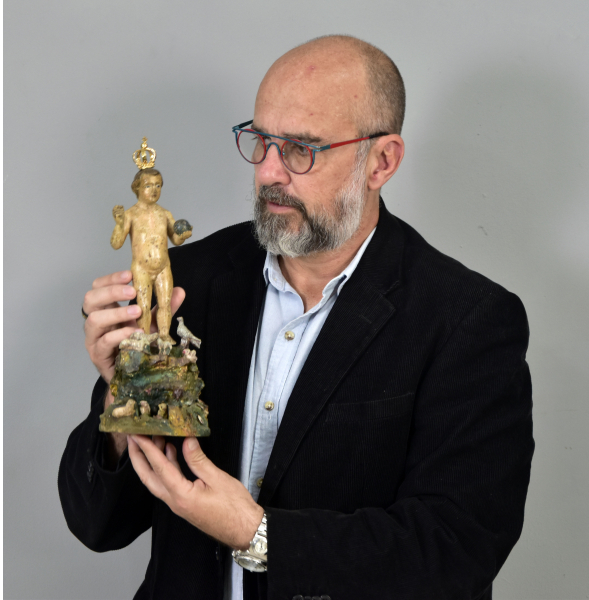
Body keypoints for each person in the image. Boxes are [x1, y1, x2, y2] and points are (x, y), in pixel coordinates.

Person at [59, 35, 534, 600]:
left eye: (301, 149)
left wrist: (259, 535)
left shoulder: (468, 320)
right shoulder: (190, 279)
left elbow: (455, 551)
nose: (268, 172)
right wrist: (124, 396)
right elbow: (97, 523)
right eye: (260, 141)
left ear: (381, 161)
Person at [111, 167, 192, 347]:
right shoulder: (130, 215)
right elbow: (116, 243)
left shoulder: (165, 214)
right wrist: (119, 224)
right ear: (137, 188)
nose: (154, 190)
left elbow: (175, 239)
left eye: (158, 185)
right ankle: (144, 339)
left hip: (163, 266)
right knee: (144, 306)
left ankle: (164, 336)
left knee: (165, 304)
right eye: (148, 186)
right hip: (142, 268)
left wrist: (183, 235)